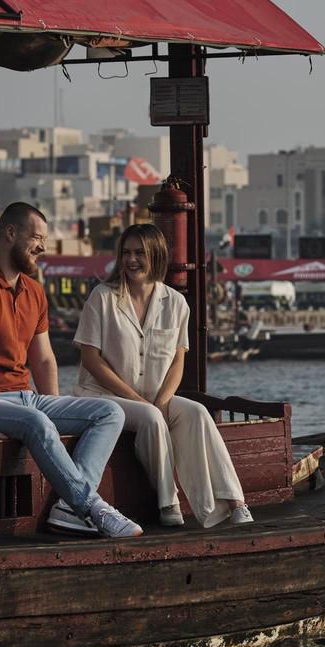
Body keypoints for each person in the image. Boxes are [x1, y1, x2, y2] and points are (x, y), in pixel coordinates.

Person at [0, 202, 142, 539]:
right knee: (37, 421)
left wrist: (56, 412)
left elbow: (45, 360)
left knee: (109, 412)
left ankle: (67, 509)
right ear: (10, 233)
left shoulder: (34, 291)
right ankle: (93, 509)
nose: (43, 247)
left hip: (27, 399)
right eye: (36, 237)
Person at [72, 223, 252, 528]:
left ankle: (235, 502)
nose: (131, 260)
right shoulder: (102, 297)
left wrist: (163, 400)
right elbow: (91, 360)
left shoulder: (177, 303)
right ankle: (169, 502)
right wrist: (143, 402)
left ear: (156, 255)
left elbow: (177, 361)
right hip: (104, 396)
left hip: (156, 396)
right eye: (126, 252)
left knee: (197, 413)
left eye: (140, 253)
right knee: (152, 418)